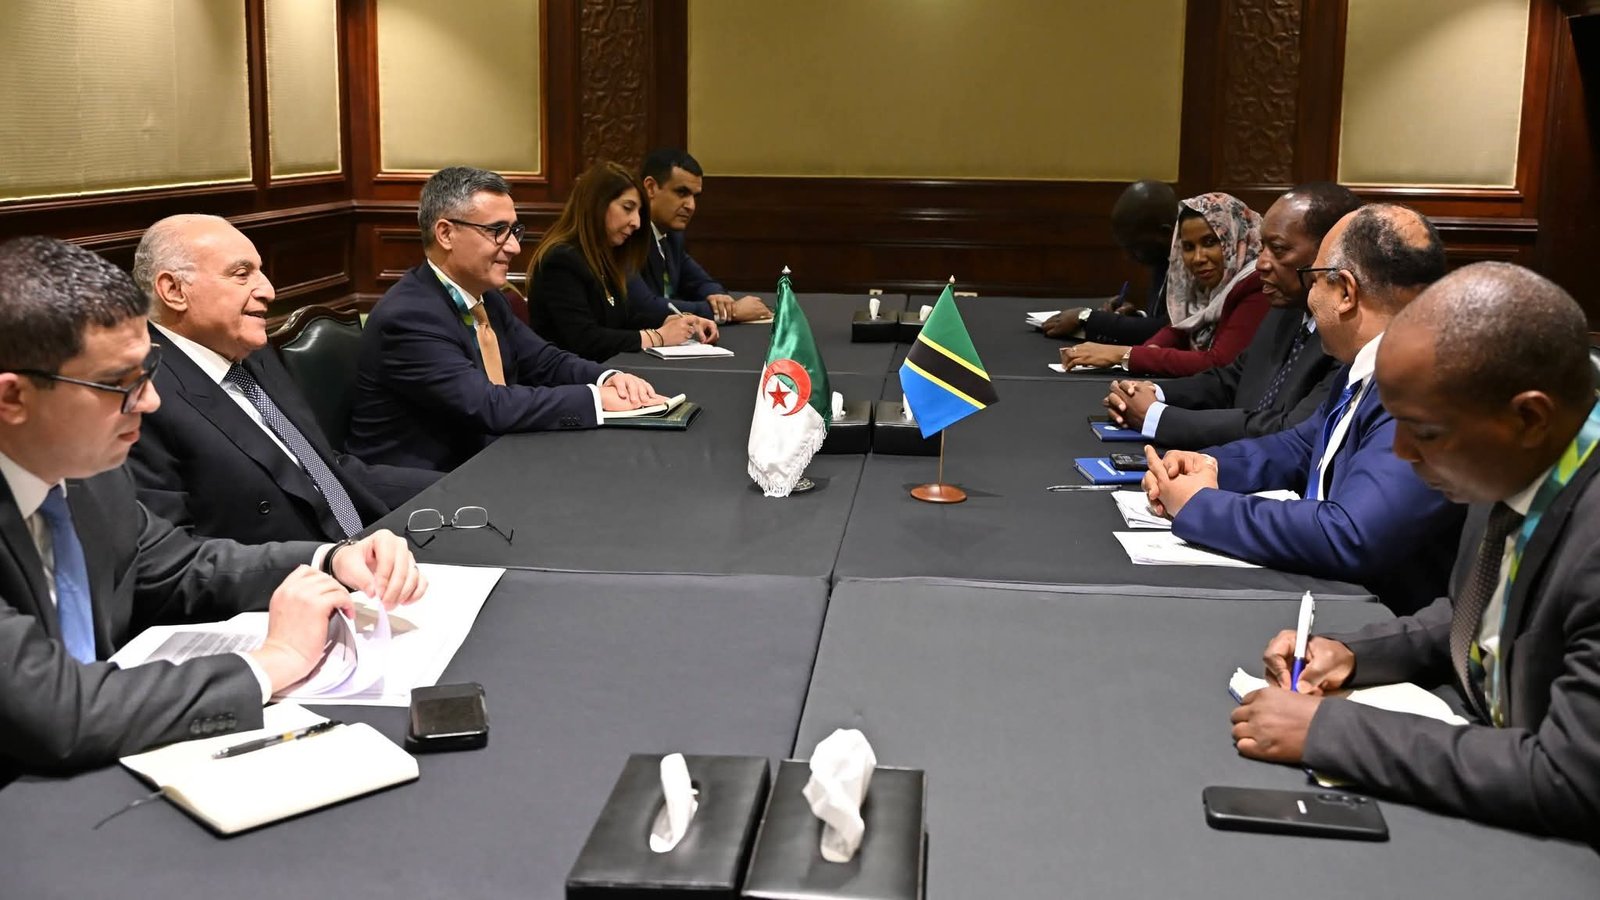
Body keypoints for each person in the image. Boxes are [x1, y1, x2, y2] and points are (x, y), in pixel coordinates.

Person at [0, 236, 426, 775]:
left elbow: (176, 565)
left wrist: (331, 560)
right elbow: (59, 711)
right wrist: (272, 662)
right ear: (13, 398)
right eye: (118, 384)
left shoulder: (91, 474)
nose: (151, 400)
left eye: (147, 371)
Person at [1232, 263, 1600, 845]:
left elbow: (1572, 780)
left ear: (1529, 417)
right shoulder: (1518, 455)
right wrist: (1355, 654)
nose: (1402, 453)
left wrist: (1334, 731)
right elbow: (1479, 613)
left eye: (1424, 433)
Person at [1141, 204, 1463, 614]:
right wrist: (1211, 466)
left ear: (1345, 292)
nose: (1309, 298)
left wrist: (1200, 505)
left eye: (1313, 280)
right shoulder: (1370, 364)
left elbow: (1351, 535)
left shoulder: (1422, 387)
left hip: (1382, 618)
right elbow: (1301, 445)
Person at [126, 214, 439, 544]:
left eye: (260, 272)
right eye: (242, 274)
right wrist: (328, 560)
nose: (269, 291)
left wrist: (452, 487)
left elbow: (323, 466)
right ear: (174, 290)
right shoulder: (141, 396)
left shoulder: (253, 353)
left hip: (373, 543)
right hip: (296, 568)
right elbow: (169, 552)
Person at [346, 166, 669, 471]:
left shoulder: (490, 299)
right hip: (425, 484)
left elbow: (545, 361)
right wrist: (595, 399)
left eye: (514, 230)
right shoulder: (409, 316)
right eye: (497, 231)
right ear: (445, 233)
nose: (514, 246)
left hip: (486, 458)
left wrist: (607, 378)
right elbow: (488, 405)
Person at [1101, 183, 1360, 448]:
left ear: (1327, 254)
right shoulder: (1287, 309)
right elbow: (1232, 379)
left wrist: (1157, 417)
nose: (1261, 263)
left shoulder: (1349, 337)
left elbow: (1288, 431)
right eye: (1262, 247)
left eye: (1278, 249)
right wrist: (1152, 392)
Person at [526, 160, 718, 363]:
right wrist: (658, 337)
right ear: (597, 204)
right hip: (567, 376)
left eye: (639, 213)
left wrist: (674, 321)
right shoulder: (561, 259)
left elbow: (626, 317)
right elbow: (585, 340)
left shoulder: (606, 255)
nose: (637, 223)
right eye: (628, 208)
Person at [1060, 192, 1270, 378]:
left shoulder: (1257, 284)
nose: (1198, 258)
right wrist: (1149, 349)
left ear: (1236, 238)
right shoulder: (1210, 281)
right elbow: (1180, 327)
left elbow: (1218, 363)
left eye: (1210, 242)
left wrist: (1124, 355)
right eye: (1188, 247)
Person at [625, 148, 771, 325]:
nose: (691, 206)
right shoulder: (627, 235)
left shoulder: (672, 237)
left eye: (695, 196)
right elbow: (644, 308)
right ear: (651, 187)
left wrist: (718, 297)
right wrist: (729, 312)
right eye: (681, 193)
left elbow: (701, 282)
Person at [1040, 179, 1176, 344]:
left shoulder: (1191, 266)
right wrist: (1134, 317)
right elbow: (1158, 321)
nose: (1128, 257)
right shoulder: (1164, 258)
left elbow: (1168, 331)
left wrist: (1087, 317)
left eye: (1134, 247)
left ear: (1165, 233)